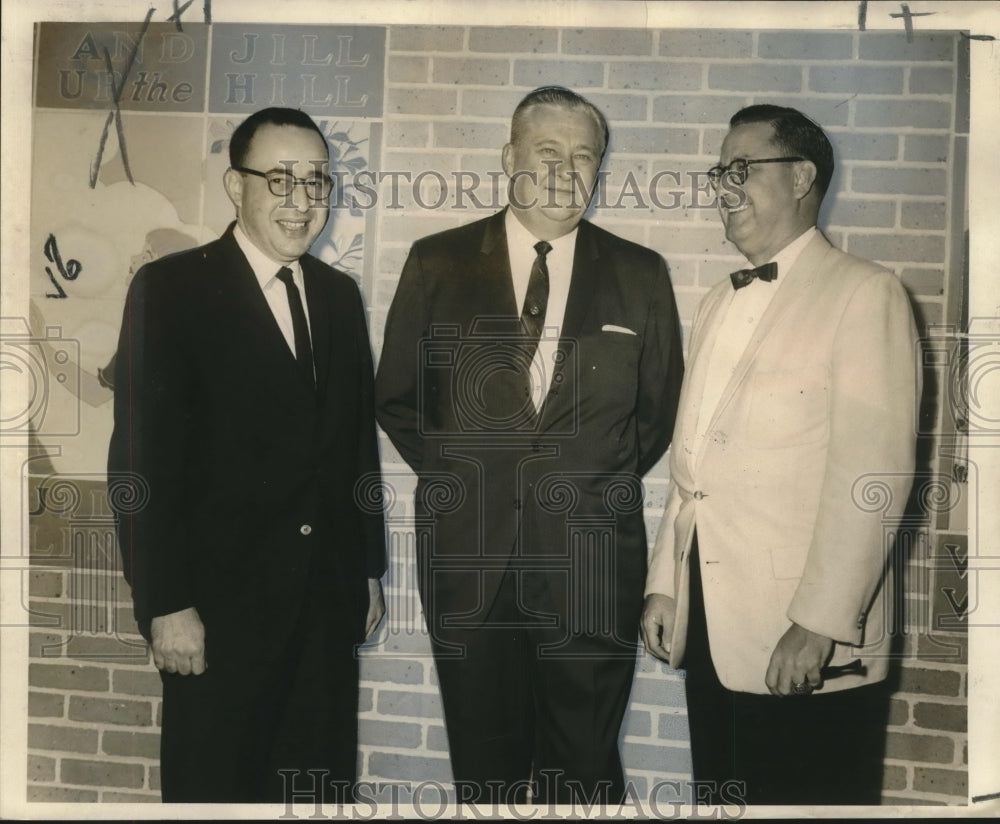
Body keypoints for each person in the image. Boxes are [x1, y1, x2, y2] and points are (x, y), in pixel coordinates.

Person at [375, 86, 684, 806]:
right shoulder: (437, 262)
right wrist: (472, 477)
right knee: (487, 770)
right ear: (508, 157)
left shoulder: (640, 273)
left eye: (584, 156)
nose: (566, 171)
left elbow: (656, 415)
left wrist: (578, 483)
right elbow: (398, 398)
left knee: (584, 769)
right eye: (548, 152)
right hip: (470, 563)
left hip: (590, 564)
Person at [641, 104, 920, 806]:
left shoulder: (866, 292)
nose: (723, 188)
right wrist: (666, 583)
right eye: (719, 173)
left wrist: (818, 624)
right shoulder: (715, 300)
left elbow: (873, 479)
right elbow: (692, 468)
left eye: (741, 169)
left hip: (805, 641)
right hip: (715, 628)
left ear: (800, 178)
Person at [107, 106, 386, 803]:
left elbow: (354, 449)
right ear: (236, 186)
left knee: (315, 796)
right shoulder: (171, 290)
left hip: (324, 609)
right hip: (215, 617)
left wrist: (368, 570)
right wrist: (166, 603)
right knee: (216, 796)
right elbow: (139, 465)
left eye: (316, 181)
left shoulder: (338, 296)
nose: (301, 200)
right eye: (280, 180)